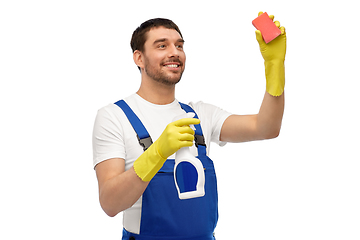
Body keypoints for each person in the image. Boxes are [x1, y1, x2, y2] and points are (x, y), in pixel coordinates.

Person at [93, 13, 286, 240]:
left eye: (179, 45)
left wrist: (275, 67)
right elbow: (110, 203)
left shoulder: (199, 114)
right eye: (161, 46)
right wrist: (156, 153)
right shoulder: (114, 117)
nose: (174, 52)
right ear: (139, 58)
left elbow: (266, 127)